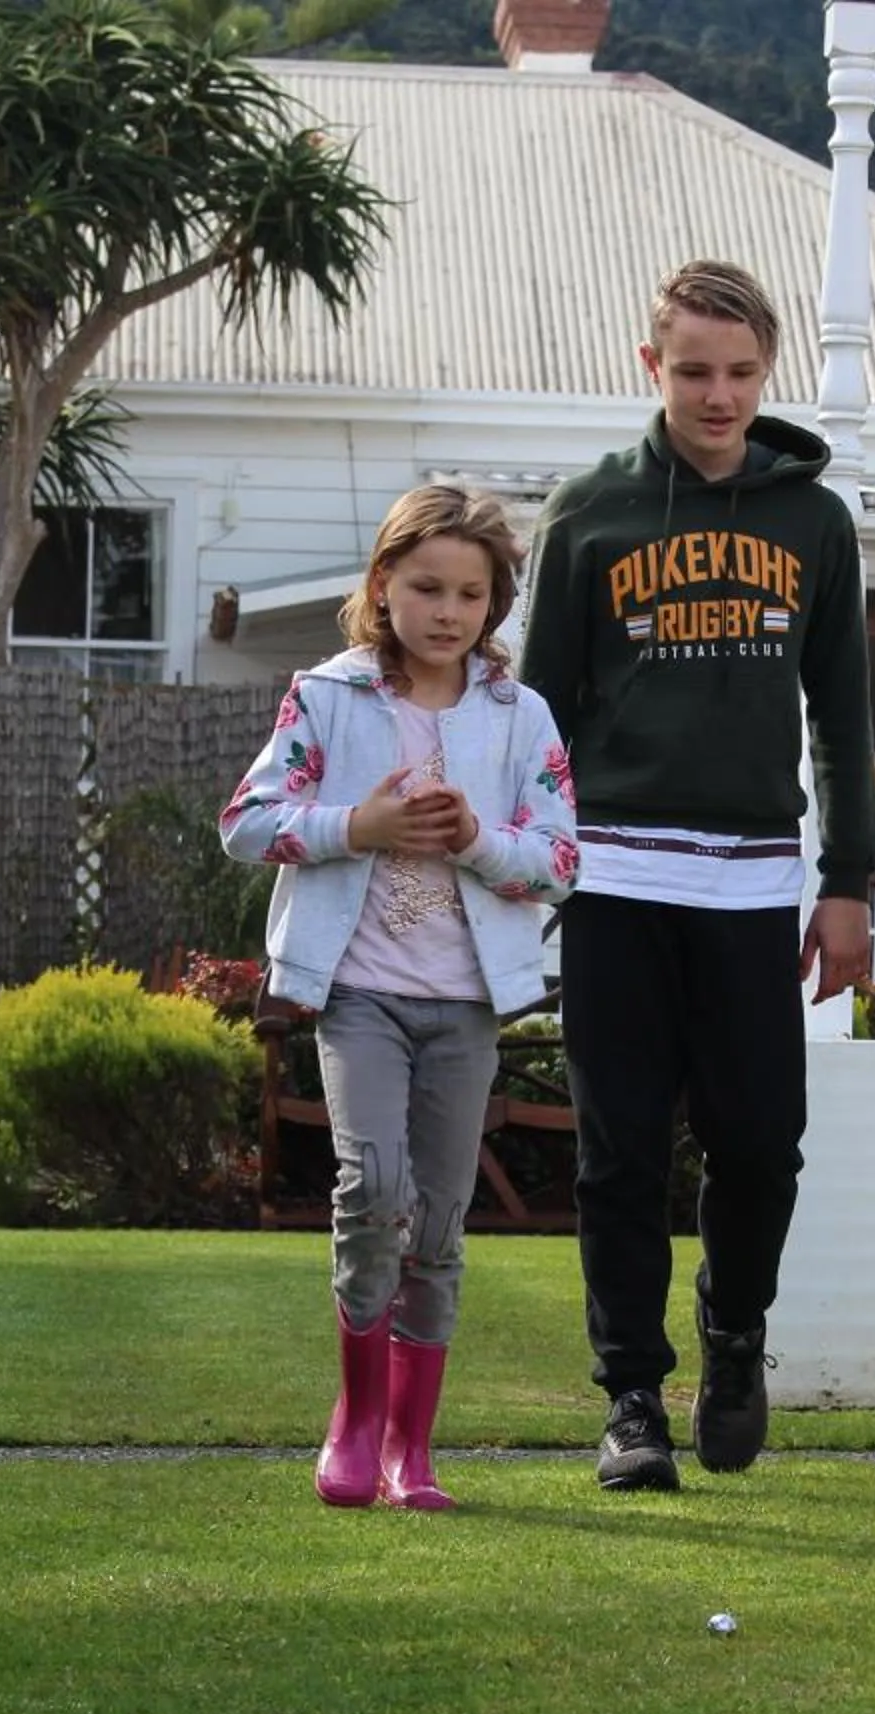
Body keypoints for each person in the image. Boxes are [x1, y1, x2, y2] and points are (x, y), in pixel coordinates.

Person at [519, 259, 875, 1492]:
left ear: (765, 370)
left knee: (761, 1143)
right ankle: (630, 1396)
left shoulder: (814, 521)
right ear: (650, 367)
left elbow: (842, 716)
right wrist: (538, 872)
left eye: (738, 373)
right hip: (615, 878)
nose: (716, 396)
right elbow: (541, 718)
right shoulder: (588, 513)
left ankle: (735, 1339)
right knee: (618, 1151)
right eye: (691, 371)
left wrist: (849, 881)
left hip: (750, 886)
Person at [220, 485, 579, 1510]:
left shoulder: (522, 716)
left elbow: (558, 860)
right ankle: (356, 1418)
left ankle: (411, 1452)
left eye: (472, 592)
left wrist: (474, 839)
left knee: (441, 1221)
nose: (448, 610)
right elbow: (247, 822)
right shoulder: (328, 697)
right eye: (426, 586)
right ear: (382, 585)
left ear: (495, 602)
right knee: (372, 1189)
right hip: (359, 993)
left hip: (466, 1002)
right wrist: (357, 827)